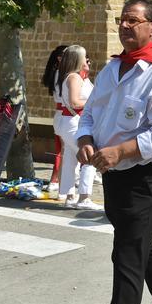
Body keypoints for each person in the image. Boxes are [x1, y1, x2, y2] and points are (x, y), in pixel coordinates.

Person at [76, 0, 152, 304]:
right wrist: (85, 140)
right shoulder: (112, 69)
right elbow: (91, 113)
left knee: (126, 255)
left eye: (133, 21)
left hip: (147, 179)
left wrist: (120, 151)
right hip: (114, 175)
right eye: (122, 19)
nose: (124, 26)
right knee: (137, 240)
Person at [54, 45, 99, 210]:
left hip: (69, 121)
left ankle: (70, 196)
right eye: (84, 56)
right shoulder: (74, 78)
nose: (87, 59)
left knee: (71, 159)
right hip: (74, 121)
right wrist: (96, 103)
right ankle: (84, 197)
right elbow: (74, 102)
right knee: (89, 156)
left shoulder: (71, 76)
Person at [42, 44, 68, 196]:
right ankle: (55, 180)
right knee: (63, 150)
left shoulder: (56, 72)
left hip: (60, 113)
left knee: (61, 149)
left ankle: (56, 180)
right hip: (65, 113)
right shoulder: (62, 74)